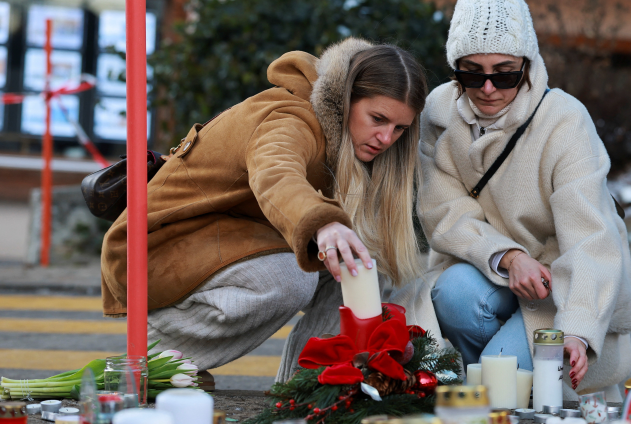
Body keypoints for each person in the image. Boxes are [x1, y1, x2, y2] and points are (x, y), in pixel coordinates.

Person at [100, 38, 427, 383]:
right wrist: (325, 224)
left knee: (362, 264)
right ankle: (156, 358)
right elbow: (276, 176)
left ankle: (308, 389)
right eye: (378, 119)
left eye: (399, 128)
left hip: (232, 239)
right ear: (346, 99)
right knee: (289, 278)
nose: (387, 138)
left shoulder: (354, 139)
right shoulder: (290, 117)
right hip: (158, 247)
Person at [391, 0, 631, 400]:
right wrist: (506, 256)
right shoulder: (438, 114)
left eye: (504, 74)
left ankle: (510, 386)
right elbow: (442, 212)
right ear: (454, 69)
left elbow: (591, 238)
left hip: (559, 289)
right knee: (452, 293)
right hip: (492, 276)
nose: (487, 88)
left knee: (489, 386)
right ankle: (517, 389)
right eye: (472, 73)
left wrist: (577, 331)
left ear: (527, 64)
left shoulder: (564, 119)